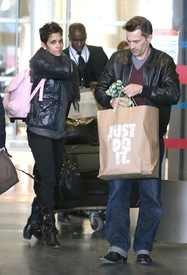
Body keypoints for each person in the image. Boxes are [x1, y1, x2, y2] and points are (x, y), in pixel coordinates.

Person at [94, 16, 180, 264]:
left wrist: (144, 89)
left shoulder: (163, 61)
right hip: (122, 136)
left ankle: (143, 248)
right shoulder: (118, 59)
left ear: (149, 38)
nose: (132, 46)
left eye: (137, 41)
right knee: (117, 193)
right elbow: (101, 86)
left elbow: (173, 93)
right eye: (129, 40)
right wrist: (110, 100)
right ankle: (118, 248)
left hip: (150, 138)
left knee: (151, 197)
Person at [23, 21, 80, 249]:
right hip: (39, 129)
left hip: (57, 130)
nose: (59, 46)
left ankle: (33, 220)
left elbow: (71, 72)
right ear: (44, 44)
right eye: (53, 42)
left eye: (60, 41)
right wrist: (67, 61)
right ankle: (50, 229)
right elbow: (68, 70)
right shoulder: (39, 61)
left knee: (52, 180)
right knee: (47, 179)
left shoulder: (62, 58)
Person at [63, 22, 108, 88]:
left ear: (86, 35)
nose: (79, 44)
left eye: (82, 39)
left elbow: (109, 78)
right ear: (69, 37)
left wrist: (100, 85)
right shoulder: (61, 57)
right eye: (75, 40)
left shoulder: (99, 53)